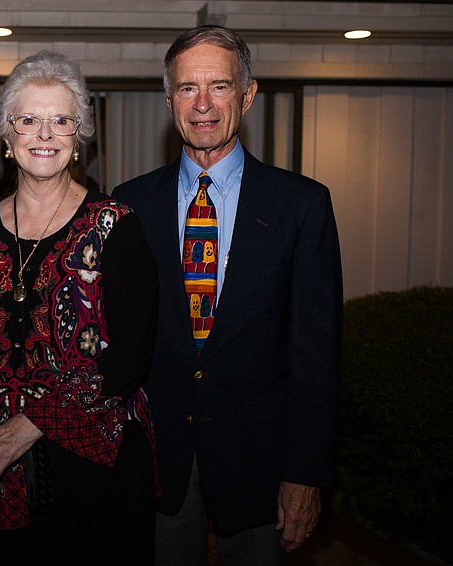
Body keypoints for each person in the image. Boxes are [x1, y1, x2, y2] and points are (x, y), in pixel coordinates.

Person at [113, 25, 343, 565]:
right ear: (169, 99)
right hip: (158, 463)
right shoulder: (128, 205)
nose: (203, 105)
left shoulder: (301, 205)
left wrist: (305, 474)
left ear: (248, 93)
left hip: (261, 466)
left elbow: (316, 353)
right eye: (187, 89)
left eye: (219, 86)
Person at [0, 50, 159, 565]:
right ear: (7, 137)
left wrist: (26, 427)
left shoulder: (115, 227)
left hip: (98, 475)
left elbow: (131, 355)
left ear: (79, 138)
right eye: (28, 120)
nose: (44, 134)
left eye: (61, 120)